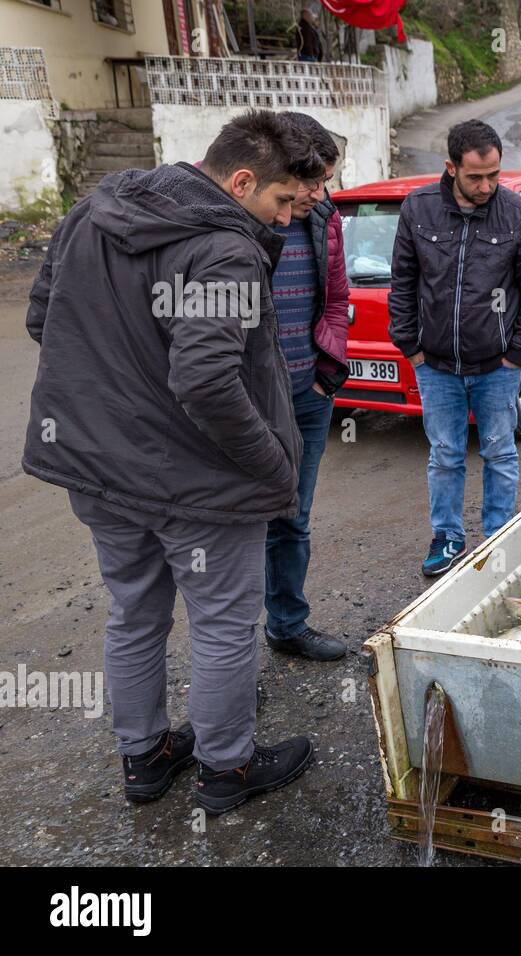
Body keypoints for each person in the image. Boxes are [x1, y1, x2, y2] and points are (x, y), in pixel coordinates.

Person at [23, 111, 325, 813]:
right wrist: (273, 467)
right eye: (283, 202)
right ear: (242, 180)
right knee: (221, 620)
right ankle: (227, 768)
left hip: (99, 470)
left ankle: (145, 756)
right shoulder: (226, 249)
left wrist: (119, 398)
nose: (288, 219)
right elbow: (205, 380)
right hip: (196, 482)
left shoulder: (98, 206)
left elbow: (46, 319)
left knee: (133, 611)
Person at [389, 119, 521, 577]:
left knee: (500, 451)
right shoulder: (418, 209)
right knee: (445, 454)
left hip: (497, 366)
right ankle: (448, 538)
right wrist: (410, 345)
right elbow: (402, 281)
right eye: (476, 176)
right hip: (435, 365)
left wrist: (517, 353)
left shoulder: (518, 215)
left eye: (494, 175)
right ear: (451, 167)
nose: (486, 186)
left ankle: (499, 538)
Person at [262, 112, 350, 661]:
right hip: (249, 403)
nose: (322, 193)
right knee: (241, 531)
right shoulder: (244, 222)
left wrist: (327, 374)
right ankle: (230, 666)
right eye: (314, 182)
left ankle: (287, 625)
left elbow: (337, 301)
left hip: (310, 396)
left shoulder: (324, 219)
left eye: (327, 182)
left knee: (294, 519)